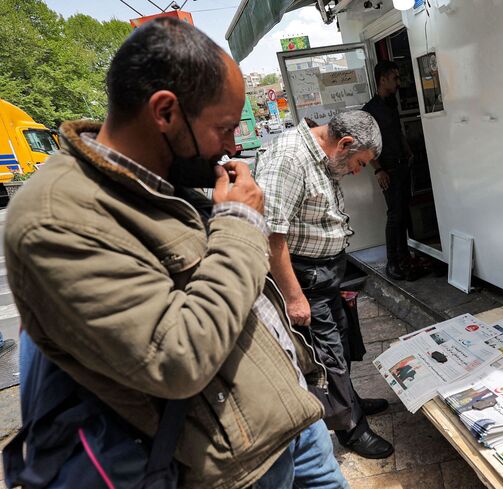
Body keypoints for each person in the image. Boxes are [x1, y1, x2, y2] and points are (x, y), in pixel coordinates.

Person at [3, 18, 348, 489]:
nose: (233, 146)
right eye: (223, 128)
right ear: (164, 113)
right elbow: (178, 357)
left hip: (290, 420)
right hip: (241, 468)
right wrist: (240, 222)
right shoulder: (56, 217)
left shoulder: (165, 175)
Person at [256, 111, 394, 459]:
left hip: (327, 273)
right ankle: (351, 428)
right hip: (304, 279)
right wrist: (293, 296)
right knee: (327, 354)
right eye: (359, 162)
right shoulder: (289, 157)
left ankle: (350, 401)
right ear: (344, 144)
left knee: (343, 342)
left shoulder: (325, 157)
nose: (358, 171)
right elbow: (272, 233)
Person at [362, 60, 418, 281]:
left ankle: (404, 258)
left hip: (402, 164)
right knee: (394, 216)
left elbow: (397, 131)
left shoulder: (391, 104)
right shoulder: (369, 110)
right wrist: (378, 170)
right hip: (388, 170)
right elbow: (365, 145)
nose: (398, 82)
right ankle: (392, 263)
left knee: (403, 214)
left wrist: (407, 150)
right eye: (394, 78)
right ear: (382, 79)